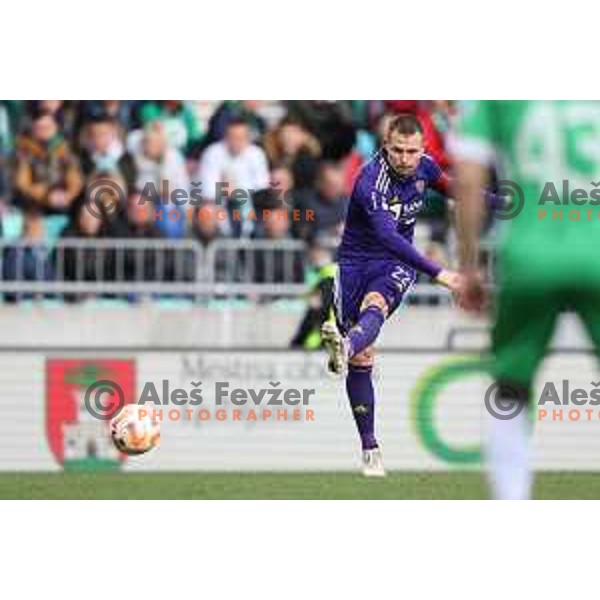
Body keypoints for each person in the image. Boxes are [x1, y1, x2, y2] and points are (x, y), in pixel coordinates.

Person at [451, 100, 600, 500]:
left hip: (529, 254)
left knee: (510, 389)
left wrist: (469, 264)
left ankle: (512, 501)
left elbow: (467, 176)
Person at [321, 113, 463, 477]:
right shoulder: (370, 179)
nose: (404, 158)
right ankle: (370, 448)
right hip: (355, 265)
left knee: (377, 306)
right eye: (397, 150)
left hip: (393, 264)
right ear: (385, 146)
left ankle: (346, 344)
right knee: (364, 358)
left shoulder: (426, 169)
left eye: (412, 151)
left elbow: (456, 190)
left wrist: (503, 202)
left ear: (423, 149)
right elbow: (387, 235)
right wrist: (442, 273)